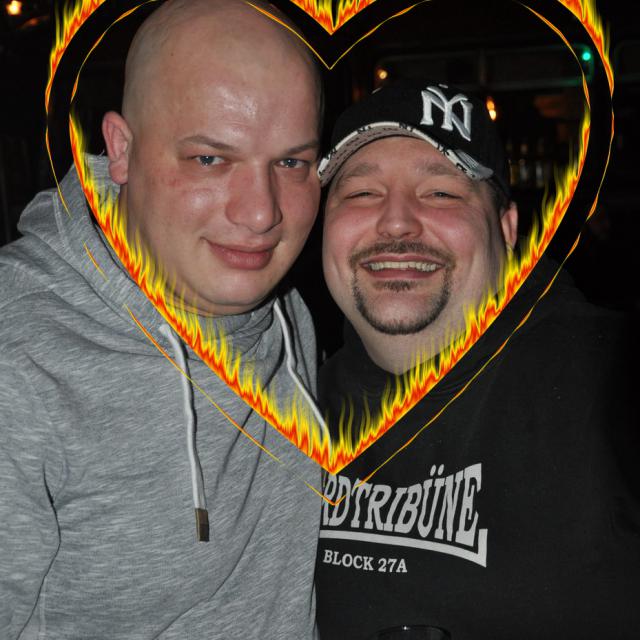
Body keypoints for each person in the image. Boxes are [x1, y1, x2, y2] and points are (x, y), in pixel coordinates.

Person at [0, 0, 325, 637]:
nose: (261, 213)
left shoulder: (288, 314)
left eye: (291, 163)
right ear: (121, 150)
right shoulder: (20, 359)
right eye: (210, 159)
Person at [314, 80, 640, 639]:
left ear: (507, 229)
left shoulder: (607, 377)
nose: (396, 222)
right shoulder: (289, 404)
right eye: (362, 192)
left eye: (441, 193)